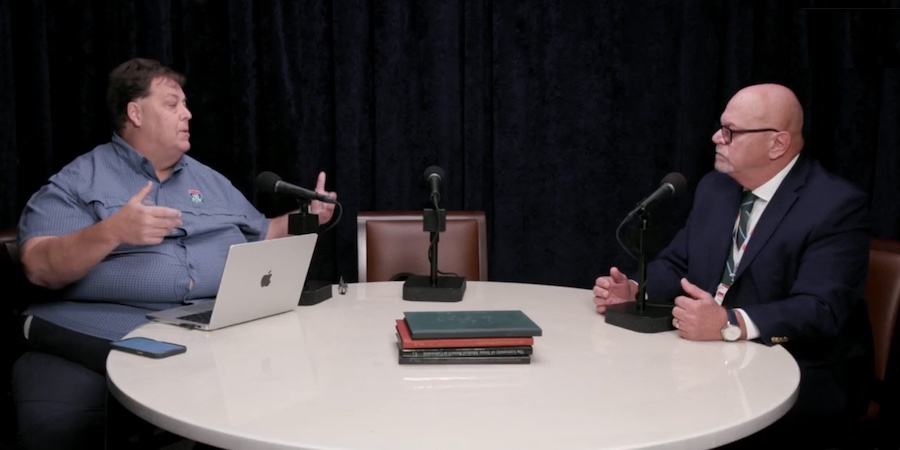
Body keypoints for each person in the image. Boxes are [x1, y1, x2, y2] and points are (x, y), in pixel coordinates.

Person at [11, 57, 337, 450]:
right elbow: (39, 265)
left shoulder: (210, 180)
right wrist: (112, 231)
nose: (187, 113)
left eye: (185, 104)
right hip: (103, 329)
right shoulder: (81, 180)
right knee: (58, 426)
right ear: (135, 113)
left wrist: (310, 216)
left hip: (207, 328)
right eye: (172, 104)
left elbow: (264, 232)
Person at [593, 83, 872, 448]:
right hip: (711, 363)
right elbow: (679, 263)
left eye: (731, 132)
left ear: (777, 144)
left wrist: (729, 323)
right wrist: (634, 288)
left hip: (802, 372)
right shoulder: (716, 188)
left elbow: (820, 308)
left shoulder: (835, 205)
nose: (716, 137)